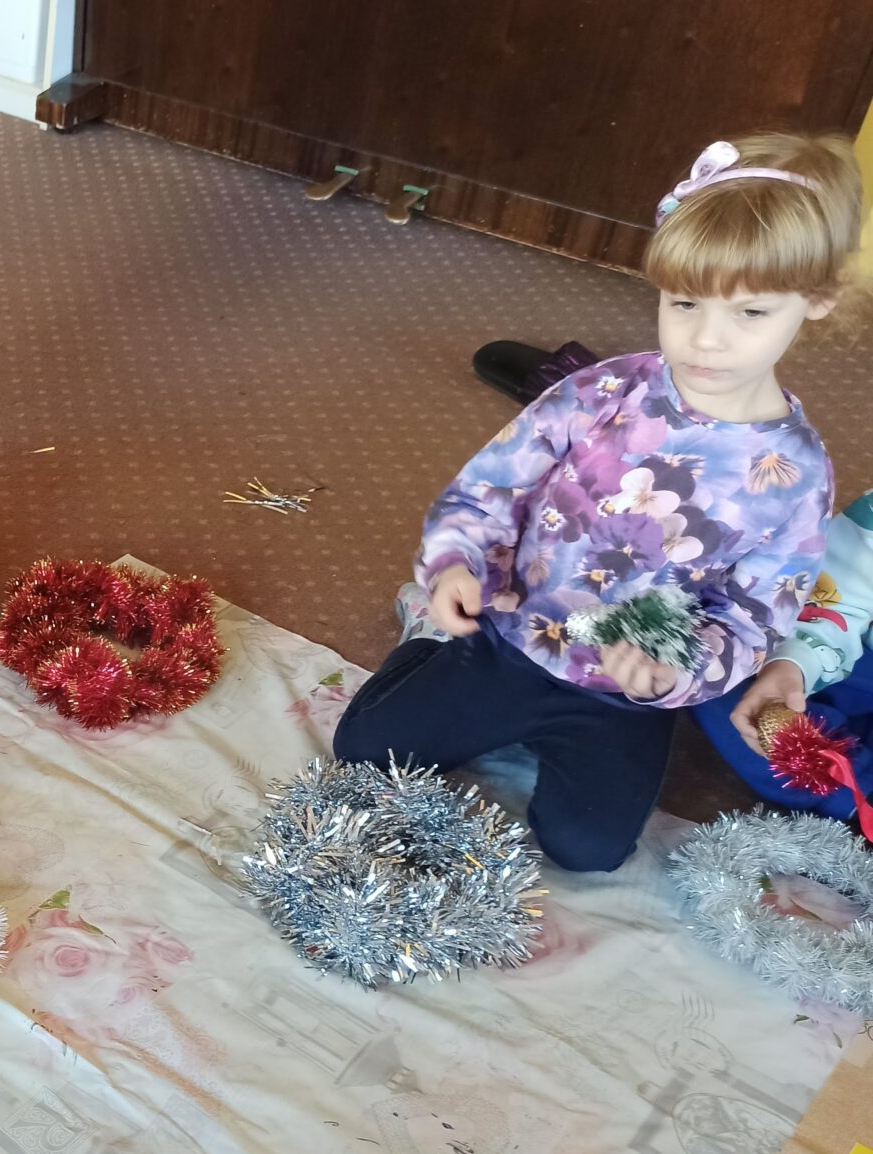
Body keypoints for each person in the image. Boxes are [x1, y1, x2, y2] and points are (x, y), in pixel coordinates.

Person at [336, 133, 860, 872]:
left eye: (751, 312)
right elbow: (492, 485)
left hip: (619, 696)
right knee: (363, 749)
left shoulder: (798, 476)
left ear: (816, 301)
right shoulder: (602, 390)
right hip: (510, 639)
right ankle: (425, 637)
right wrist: (456, 562)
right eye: (684, 302)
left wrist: (674, 674)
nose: (706, 339)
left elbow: (755, 617)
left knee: (587, 850)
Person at [697, 489, 873, 822]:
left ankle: (849, 794)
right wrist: (794, 664)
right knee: (725, 684)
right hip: (850, 656)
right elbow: (840, 596)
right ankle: (855, 794)